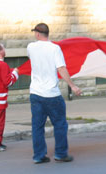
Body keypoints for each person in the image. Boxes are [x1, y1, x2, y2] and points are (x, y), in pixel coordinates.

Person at [27, 23, 82, 164]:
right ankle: (60, 153)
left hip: (36, 93)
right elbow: (61, 68)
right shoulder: (55, 49)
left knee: (37, 126)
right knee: (60, 124)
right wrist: (72, 85)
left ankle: (39, 156)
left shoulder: (31, 47)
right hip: (51, 94)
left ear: (37, 34)